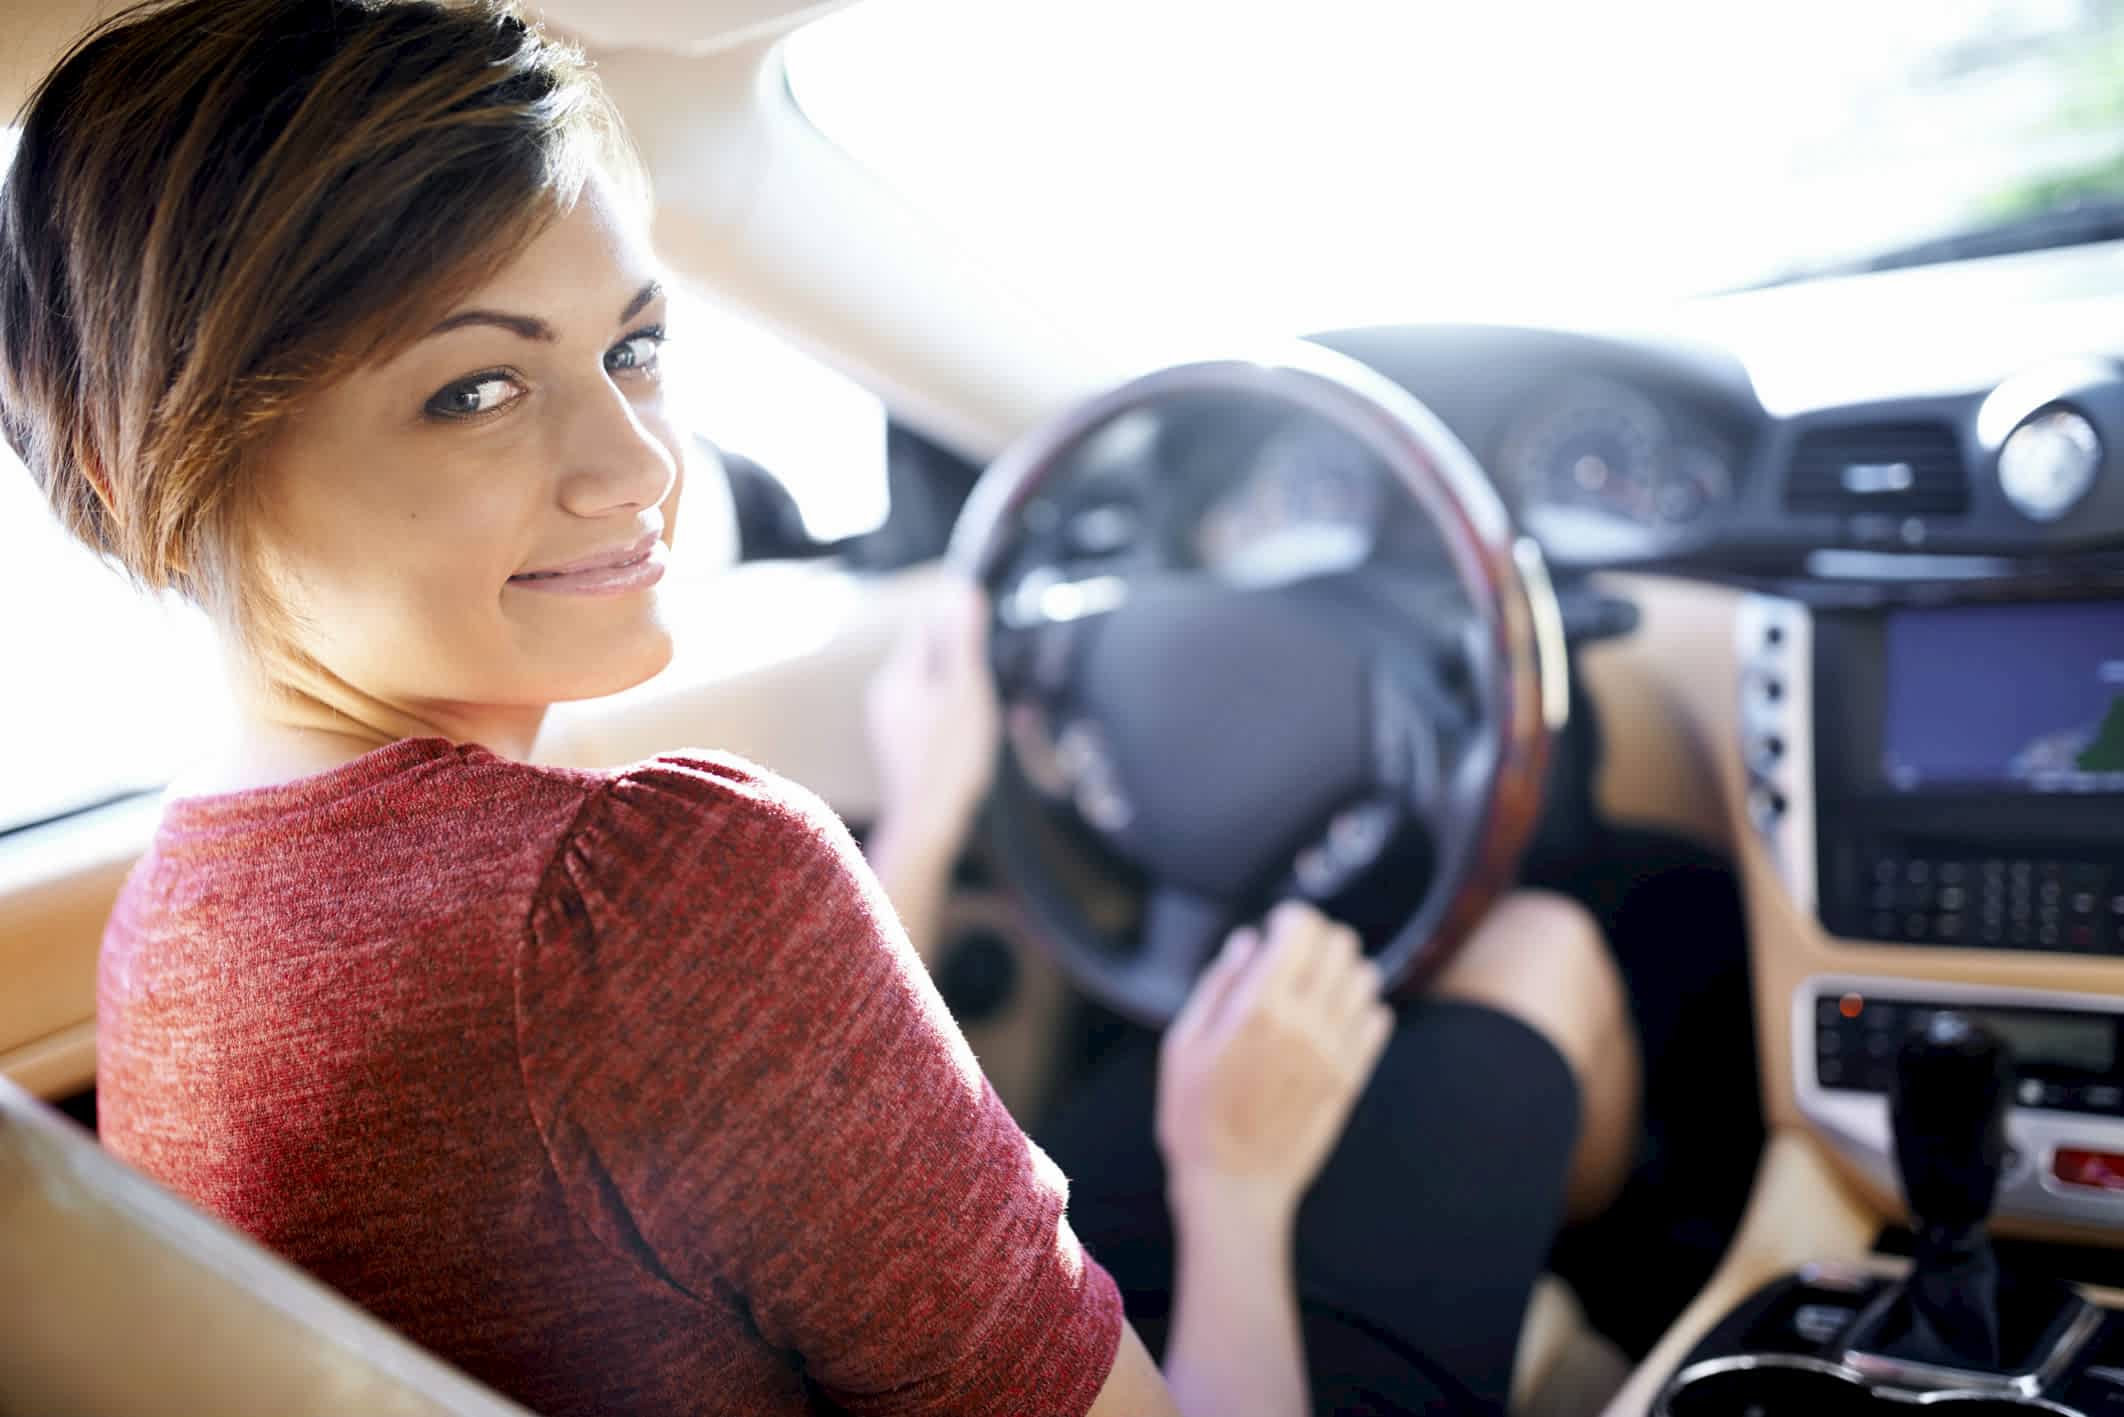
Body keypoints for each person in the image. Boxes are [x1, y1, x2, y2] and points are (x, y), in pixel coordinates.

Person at [0, 4, 1402, 1416]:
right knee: (1508, 982)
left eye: (634, 346)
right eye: (475, 390)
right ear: (144, 477)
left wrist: (919, 830)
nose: (640, 465)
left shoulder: (174, 912)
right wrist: (1235, 1182)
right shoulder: (645, 888)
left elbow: (683, 1109)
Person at [868, 583, 1643, 1416]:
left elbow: (829, 1100)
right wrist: (1232, 1180)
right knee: (1543, 945)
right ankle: (1617, 1272)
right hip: (1207, 1350)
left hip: (1026, 1277)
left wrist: (923, 814)